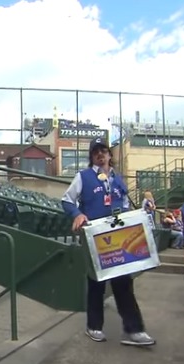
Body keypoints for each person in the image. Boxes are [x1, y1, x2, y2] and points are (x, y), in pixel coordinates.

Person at [61, 137, 155, 346]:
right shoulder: (83, 177)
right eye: (96, 151)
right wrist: (77, 214)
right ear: (92, 157)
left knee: (123, 283)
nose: (100, 154)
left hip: (118, 239)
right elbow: (67, 200)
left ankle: (135, 330)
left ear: (110, 155)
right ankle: (94, 326)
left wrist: (142, 211)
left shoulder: (117, 179)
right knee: (96, 284)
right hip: (96, 238)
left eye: (104, 150)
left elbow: (124, 206)